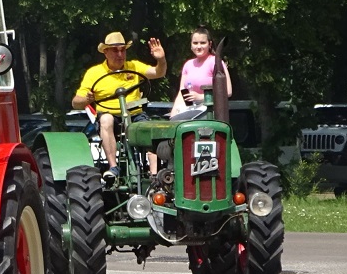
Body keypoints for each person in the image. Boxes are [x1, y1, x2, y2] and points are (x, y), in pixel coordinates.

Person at [72, 31, 166, 182]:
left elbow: (158, 73)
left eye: (123, 50)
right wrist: (86, 99)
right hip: (110, 116)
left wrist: (161, 60)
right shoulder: (94, 72)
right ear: (106, 52)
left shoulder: (134, 66)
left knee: (150, 128)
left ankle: (155, 176)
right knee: (106, 119)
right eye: (115, 50)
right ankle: (113, 167)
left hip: (135, 114)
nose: (120, 54)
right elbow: (75, 102)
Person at [170, 26, 232, 116]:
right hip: (188, 112)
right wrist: (173, 114)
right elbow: (182, 92)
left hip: (209, 113)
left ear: (209, 44)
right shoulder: (188, 64)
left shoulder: (216, 62)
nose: (198, 46)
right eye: (195, 43)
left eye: (202, 43)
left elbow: (227, 92)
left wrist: (201, 97)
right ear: (191, 45)